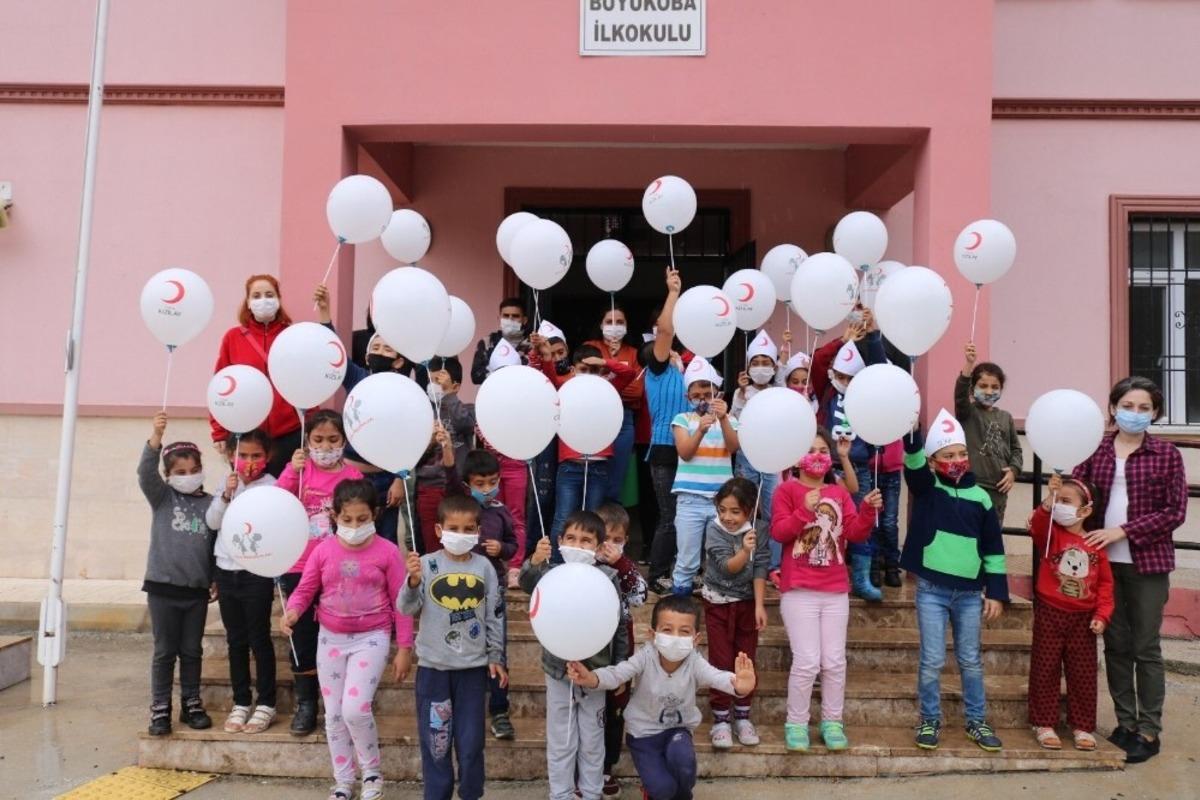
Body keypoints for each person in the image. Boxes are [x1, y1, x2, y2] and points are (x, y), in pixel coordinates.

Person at [1071, 376, 1187, 764]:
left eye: (1143, 408)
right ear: (1113, 408)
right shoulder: (1094, 449)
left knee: (1146, 647)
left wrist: (1123, 530)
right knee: (1115, 644)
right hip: (1101, 564)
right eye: (1127, 406)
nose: (1134, 414)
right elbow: (1078, 494)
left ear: (1155, 413)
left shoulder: (1167, 455)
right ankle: (1125, 722)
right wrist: (1062, 490)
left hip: (1147, 563)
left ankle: (1149, 730)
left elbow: (1174, 512)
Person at [281, 479, 414, 800]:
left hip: (372, 637)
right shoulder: (323, 550)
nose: (355, 526)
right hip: (330, 640)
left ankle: (371, 773)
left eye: (362, 519)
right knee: (335, 715)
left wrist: (405, 647)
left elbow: (403, 601)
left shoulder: (388, 552)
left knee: (355, 708)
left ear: (375, 516)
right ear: (334, 516)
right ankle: (343, 781)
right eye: (347, 520)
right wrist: (293, 612)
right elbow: (306, 588)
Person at [565, 594, 757, 800]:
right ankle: (654, 790)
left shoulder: (694, 662)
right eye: (667, 630)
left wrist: (739, 685)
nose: (675, 637)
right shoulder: (645, 657)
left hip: (678, 730)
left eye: (684, 632)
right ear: (652, 634)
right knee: (662, 789)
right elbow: (618, 673)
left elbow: (717, 677)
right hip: (642, 735)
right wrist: (592, 678)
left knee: (683, 763)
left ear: (696, 638)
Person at [901, 409, 1008, 752]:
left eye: (962, 454)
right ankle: (929, 719)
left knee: (970, 659)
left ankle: (976, 721)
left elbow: (993, 547)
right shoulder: (927, 486)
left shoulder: (982, 498)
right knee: (932, 659)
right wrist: (912, 432)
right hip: (932, 591)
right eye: (948, 456)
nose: (957, 460)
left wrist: (996, 592)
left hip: (968, 594)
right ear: (934, 462)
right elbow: (913, 463)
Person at [771, 429, 880, 752]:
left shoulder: (840, 492)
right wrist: (804, 509)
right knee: (806, 661)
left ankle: (833, 722)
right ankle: (796, 723)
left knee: (833, 661)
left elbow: (856, 534)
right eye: (810, 450)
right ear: (797, 458)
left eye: (822, 450)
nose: (817, 455)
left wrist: (868, 511)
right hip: (799, 589)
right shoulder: (786, 491)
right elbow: (779, 532)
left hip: (835, 591)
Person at [399, 494, 507, 800]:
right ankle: (437, 794)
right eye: (454, 528)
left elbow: (494, 615)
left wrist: (496, 654)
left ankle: (471, 793)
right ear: (438, 530)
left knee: (471, 742)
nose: (461, 535)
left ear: (477, 531)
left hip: (472, 671)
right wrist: (412, 582)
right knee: (436, 742)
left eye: (468, 529)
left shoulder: (484, 567)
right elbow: (406, 608)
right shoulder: (426, 564)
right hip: (434, 672)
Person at [520, 512, 629, 800]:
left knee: (592, 740)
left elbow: (619, 625)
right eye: (571, 538)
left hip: (595, 675)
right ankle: (561, 794)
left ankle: (592, 793)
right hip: (557, 671)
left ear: (598, 546)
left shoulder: (608, 578)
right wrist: (534, 560)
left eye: (586, 540)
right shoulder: (550, 573)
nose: (577, 545)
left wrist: (618, 670)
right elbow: (527, 582)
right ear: (559, 541)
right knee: (561, 740)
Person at [275, 409, 364, 736]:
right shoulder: (297, 472)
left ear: (344, 441)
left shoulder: (353, 477)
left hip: (340, 570)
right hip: (300, 567)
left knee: (336, 635)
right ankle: (306, 704)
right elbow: (277, 505)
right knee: (302, 636)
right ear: (307, 441)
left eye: (333, 440)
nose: (325, 446)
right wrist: (290, 472)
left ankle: (338, 702)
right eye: (318, 440)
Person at [317, 285, 420, 546]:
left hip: (387, 480)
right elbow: (335, 352)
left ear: (398, 360)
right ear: (366, 354)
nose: (381, 353)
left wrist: (400, 478)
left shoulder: (405, 392)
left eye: (388, 350)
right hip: (352, 474)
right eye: (377, 347)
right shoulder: (358, 379)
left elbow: (411, 438)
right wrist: (326, 314)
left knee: (384, 539)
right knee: (346, 537)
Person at [138, 412, 216, 736]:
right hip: (162, 588)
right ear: (168, 475)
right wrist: (155, 438)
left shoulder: (211, 504)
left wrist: (214, 578)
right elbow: (144, 472)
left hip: (195, 591)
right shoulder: (163, 498)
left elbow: (215, 545)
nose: (188, 476)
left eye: (194, 470)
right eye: (180, 472)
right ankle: (160, 709)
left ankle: (191, 703)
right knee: (164, 652)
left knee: (192, 650)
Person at [439, 431, 519, 742]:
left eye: (492, 482)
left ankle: (499, 710)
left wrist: (503, 549)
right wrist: (447, 449)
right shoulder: (461, 505)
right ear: (468, 483)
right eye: (480, 484)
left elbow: (513, 545)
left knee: (497, 648)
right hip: (461, 591)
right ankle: (459, 707)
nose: (487, 489)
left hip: (494, 592)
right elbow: (449, 477)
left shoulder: (500, 511)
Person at [1027, 474, 1114, 752]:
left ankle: (1083, 727)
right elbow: (1038, 526)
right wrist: (1048, 502)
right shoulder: (1051, 534)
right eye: (1059, 501)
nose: (1061, 506)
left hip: (1084, 619)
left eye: (1067, 501)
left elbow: (1105, 586)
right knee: (1045, 668)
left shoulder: (1096, 546)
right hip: (1050, 613)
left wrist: (1102, 615)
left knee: (1083, 674)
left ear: (1085, 510)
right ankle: (1044, 723)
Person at [532, 331, 636, 558]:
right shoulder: (566, 388)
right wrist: (547, 355)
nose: (588, 375)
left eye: (594, 370)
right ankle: (556, 565)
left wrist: (604, 361)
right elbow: (548, 377)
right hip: (570, 466)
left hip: (599, 467)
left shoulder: (608, 390)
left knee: (594, 520)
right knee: (563, 517)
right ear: (573, 369)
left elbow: (629, 373)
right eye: (583, 370)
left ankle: (589, 563)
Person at [204, 429, 278, 734]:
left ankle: (266, 702)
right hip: (226, 569)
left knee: (259, 637)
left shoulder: (272, 486)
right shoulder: (227, 484)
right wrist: (225, 496)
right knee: (235, 639)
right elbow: (212, 522)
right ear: (231, 456)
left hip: (256, 572)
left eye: (256, 456)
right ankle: (241, 701)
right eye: (243, 455)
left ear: (267, 457)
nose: (249, 462)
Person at [810, 315, 887, 602]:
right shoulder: (827, 390)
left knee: (861, 519)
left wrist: (874, 335)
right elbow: (818, 362)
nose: (845, 382)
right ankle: (829, 569)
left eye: (850, 378)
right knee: (826, 519)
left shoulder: (867, 395)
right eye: (840, 376)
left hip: (859, 466)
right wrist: (843, 341)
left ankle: (861, 578)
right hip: (828, 467)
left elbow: (881, 371)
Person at [702, 478, 770, 749]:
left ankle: (742, 715)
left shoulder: (760, 529)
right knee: (720, 659)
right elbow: (726, 567)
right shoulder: (714, 529)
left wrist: (759, 605)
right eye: (722, 509)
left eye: (735, 512)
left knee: (746, 659)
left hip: (746, 603)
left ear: (750, 510)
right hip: (717, 603)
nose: (727, 517)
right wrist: (744, 549)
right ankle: (720, 718)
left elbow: (761, 566)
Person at [210, 274, 300, 476]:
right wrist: (219, 433)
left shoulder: (293, 335)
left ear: (278, 299)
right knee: (247, 494)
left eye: (269, 294)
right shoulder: (233, 337)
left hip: (287, 435)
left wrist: (311, 431)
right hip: (247, 434)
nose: (263, 300)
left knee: (284, 491)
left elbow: (307, 381)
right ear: (248, 302)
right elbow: (220, 385)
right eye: (256, 296)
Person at [671, 356, 740, 595]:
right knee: (687, 559)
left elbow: (733, 448)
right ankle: (681, 600)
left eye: (708, 394)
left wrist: (723, 419)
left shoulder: (728, 419)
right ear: (687, 397)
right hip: (689, 499)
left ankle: (715, 600)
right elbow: (685, 453)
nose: (702, 400)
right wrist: (700, 429)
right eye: (696, 395)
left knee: (719, 556)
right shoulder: (682, 420)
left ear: (718, 395)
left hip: (721, 501)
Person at [640, 268, 690, 595]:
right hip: (664, 451)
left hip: (693, 450)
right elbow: (666, 329)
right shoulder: (655, 367)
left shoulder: (687, 368)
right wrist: (673, 292)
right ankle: (658, 573)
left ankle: (683, 571)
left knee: (688, 518)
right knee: (670, 517)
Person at [595, 503, 649, 796]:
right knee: (589, 710)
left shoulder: (626, 568)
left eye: (617, 540)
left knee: (615, 710)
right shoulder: (584, 565)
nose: (610, 546)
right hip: (590, 647)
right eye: (604, 538)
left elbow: (641, 596)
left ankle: (606, 768)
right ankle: (585, 766)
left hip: (620, 648)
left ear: (625, 541)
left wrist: (622, 564)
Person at [955, 341, 1023, 527]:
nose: (989, 391)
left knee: (991, 535)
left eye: (995, 387)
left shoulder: (1005, 417)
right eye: (983, 386)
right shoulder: (968, 413)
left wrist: (1014, 471)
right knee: (969, 532)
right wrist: (969, 364)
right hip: (972, 485)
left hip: (997, 490)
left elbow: (1016, 450)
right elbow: (960, 395)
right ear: (973, 389)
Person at [585, 304, 645, 503]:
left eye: (619, 322)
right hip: (594, 418)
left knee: (616, 478)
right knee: (593, 474)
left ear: (627, 325)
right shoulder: (590, 347)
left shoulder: (634, 353)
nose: (614, 326)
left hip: (624, 420)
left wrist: (605, 383)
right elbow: (585, 384)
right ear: (601, 325)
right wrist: (620, 382)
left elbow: (636, 391)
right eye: (609, 322)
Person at [470, 297, 530, 385]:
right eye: (506, 316)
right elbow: (476, 376)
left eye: (515, 316)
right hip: (493, 395)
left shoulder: (532, 345)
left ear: (524, 320)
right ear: (499, 318)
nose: (510, 319)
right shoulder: (487, 342)